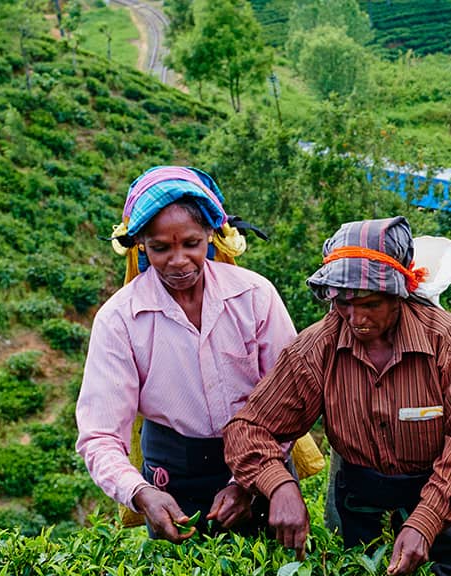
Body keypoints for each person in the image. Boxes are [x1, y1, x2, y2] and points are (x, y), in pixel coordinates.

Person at [223, 217, 451, 576]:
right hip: (362, 498)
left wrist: (425, 520)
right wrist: (279, 485)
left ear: (399, 293)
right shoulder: (317, 347)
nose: (357, 318)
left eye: (371, 304)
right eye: (344, 302)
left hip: (445, 497)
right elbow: (248, 428)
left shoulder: (445, 339)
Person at [76, 166, 297, 541]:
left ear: (211, 235)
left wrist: (248, 481)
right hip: (172, 477)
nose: (178, 260)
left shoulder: (253, 296)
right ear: (142, 244)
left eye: (191, 244)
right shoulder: (120, 320)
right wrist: (142, 493)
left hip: (263, 464)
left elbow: (290, 398)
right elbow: (99, 435)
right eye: (161, 248)